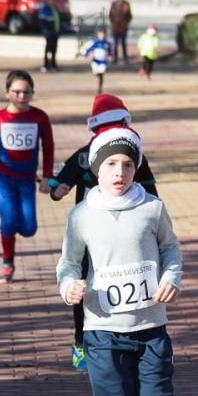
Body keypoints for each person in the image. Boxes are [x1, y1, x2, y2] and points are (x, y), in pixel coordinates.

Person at [56, 126, 182, 396]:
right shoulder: (82, 215)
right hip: (101, 330)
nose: (119, 172)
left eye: (127, 164)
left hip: (149, 327)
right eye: (110, 164)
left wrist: (170, 278)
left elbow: (171, 248)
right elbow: (68, 263)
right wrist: (68, 288)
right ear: (97, 168)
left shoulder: (152, 208)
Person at [48, 95, 159, 370]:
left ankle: (132, 339)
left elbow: (153, 195)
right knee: (83, 287)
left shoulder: (134, 158)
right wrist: (57, 189)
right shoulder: (85, 156)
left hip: (125, 236)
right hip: (90, 236)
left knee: (124, 281)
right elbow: (60, 180)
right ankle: (80, 344)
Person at [0, 70, 54, 283]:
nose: (22, 96)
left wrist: (47, 176)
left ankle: (12, 228)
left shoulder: (39, 117)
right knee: (8, 221)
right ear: (7, 93)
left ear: (32, 93)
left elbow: (48, 147)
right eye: (17, 92)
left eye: (26, 92)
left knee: (29, 228)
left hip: (27, 180)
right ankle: (7, 263)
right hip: (4, 179)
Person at [84, 29, 113, 95]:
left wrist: (110, 56)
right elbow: (89, 49)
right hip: (95, 61)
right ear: (98, 35)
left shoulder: (107, 43)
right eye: (101, 35)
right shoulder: (96, 43)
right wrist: (86, 55)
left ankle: (100, 87)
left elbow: (110, 51)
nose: (102, 36)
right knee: (96, 72)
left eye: (103, 35)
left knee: (101, 73)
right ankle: (97, 76)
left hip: (103, 62)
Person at [108, 0, 132, 65]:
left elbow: (129, 15)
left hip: (123, 27)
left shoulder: (126, 3)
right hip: (115, 27)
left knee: (123, 43)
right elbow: (110, 15)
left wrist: (126, 23)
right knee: (115, 43)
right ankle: (115, 58)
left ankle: (125, 57)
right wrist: (113, 23)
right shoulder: (114, 3)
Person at [38, 1, 61, 73]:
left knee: (54, 49)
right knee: (48, 49)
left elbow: (58, 21)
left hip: (55, 33)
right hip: (49, 33)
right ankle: (46, 65)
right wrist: (46, 31)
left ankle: (53, 64)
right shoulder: (45, 10)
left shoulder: (55, 9)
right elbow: (42, 21)